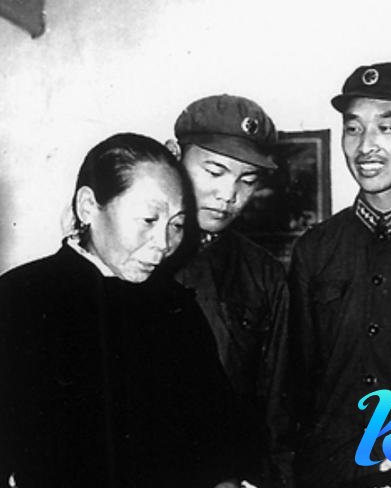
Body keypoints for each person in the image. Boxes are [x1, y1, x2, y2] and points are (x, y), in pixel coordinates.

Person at [0, 133, 241, 488]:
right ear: (88, 207)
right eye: (148, 219)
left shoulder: (175, 305)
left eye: (176, 224)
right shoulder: (20, 298)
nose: (164, 244)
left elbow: (218, 431)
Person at [288, 62, 391, 487]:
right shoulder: (315, 249)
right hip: (329, 473)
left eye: (386, 128)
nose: (365, 147)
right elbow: (293, 383)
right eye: (353, 129)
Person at [167, 95, 292, 487]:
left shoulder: (265, 275)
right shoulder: (138, 256)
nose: (228, 194)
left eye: (247, 180)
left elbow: (277, 410)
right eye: (214, 171)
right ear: (174, 156)